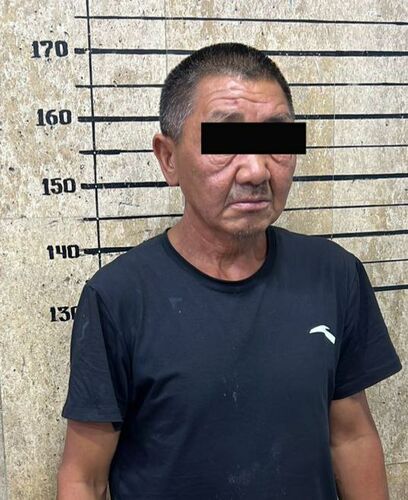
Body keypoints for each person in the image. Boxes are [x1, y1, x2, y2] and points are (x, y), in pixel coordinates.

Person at [57, 43, 402, 500]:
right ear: (168, 158)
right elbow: (84, 478)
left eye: (276, 141)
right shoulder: (118, 297)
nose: (256, 170)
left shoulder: (335, 275)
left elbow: (351, 436)